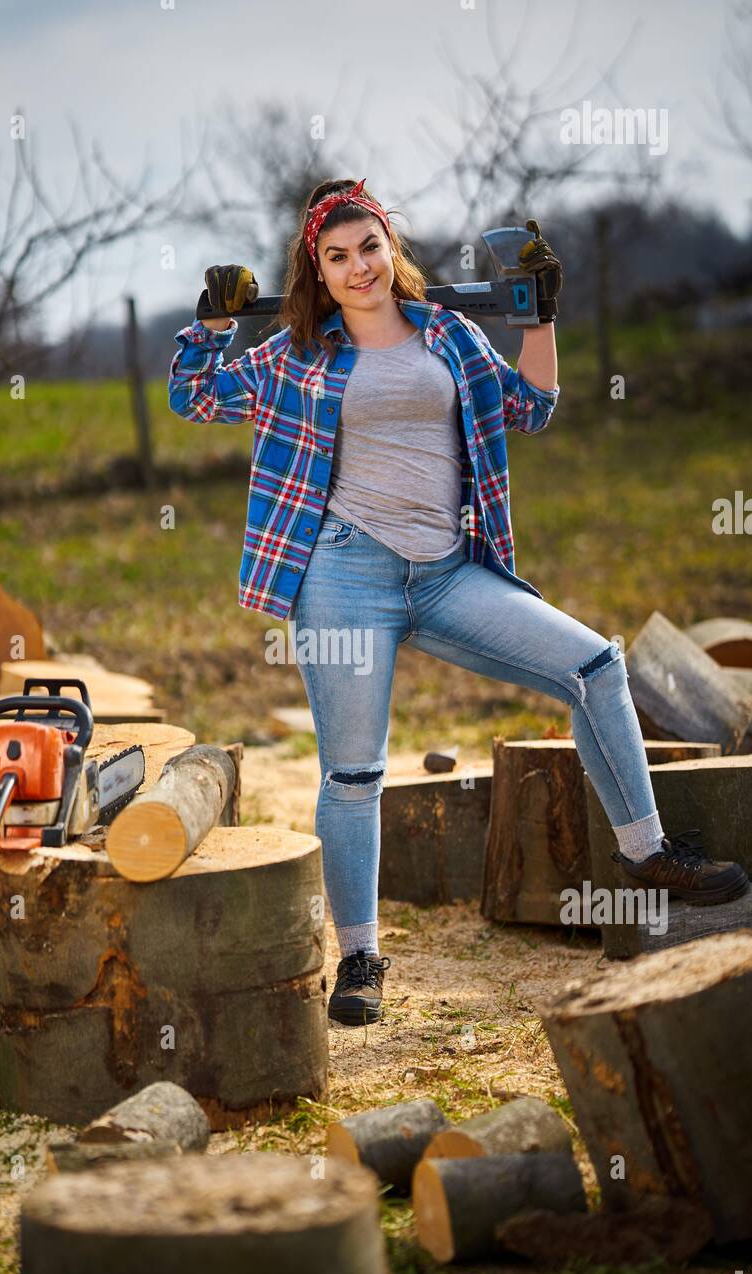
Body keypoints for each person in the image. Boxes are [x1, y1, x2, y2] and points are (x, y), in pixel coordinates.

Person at [168, 176, 749, 1027]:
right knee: (356, 772)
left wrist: (541, 316)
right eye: (337, 257)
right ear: (318, 272)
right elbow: (193, 395)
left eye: (370, 247)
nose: (359, 266)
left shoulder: (449, 336)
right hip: (341, 577)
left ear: (390, 248)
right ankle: (360, 957)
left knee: (593, 664)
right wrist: (212, 326)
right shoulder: (293, 352)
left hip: (446, 573)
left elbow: (535, 406)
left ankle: (646, 853)